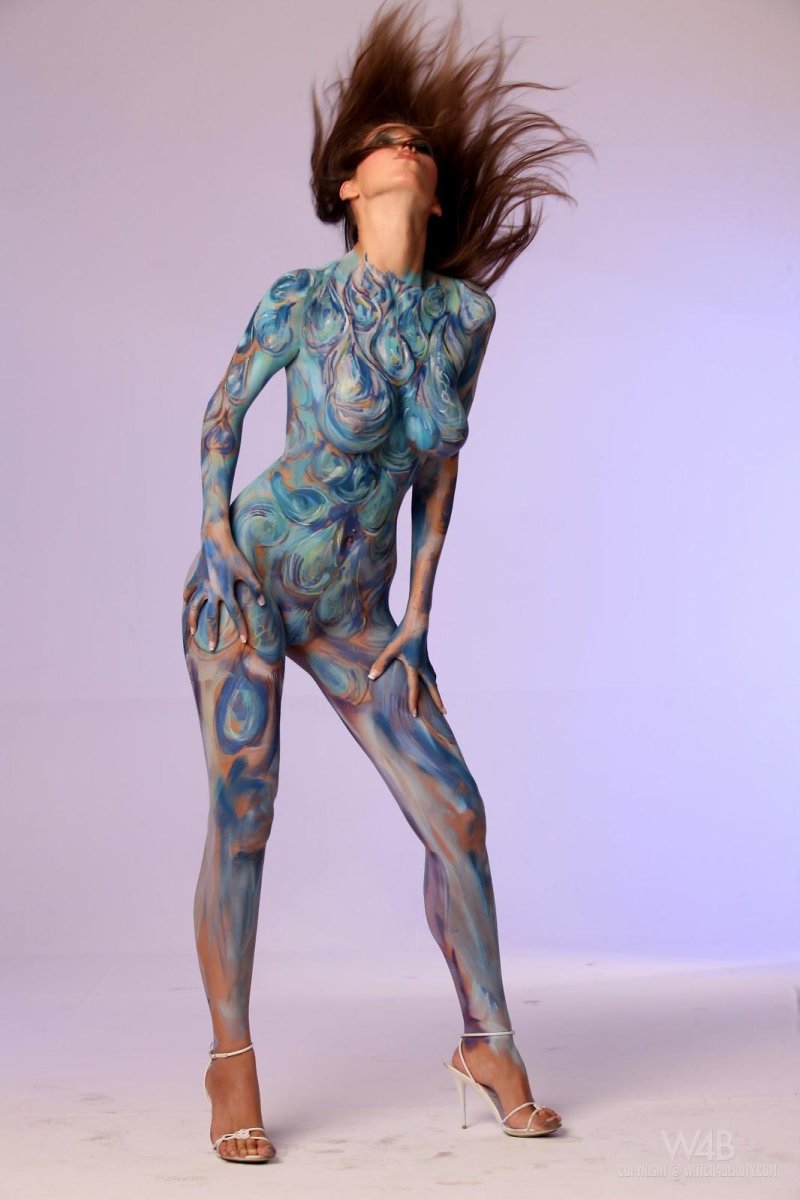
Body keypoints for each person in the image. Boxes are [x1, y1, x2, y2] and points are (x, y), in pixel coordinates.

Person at [181, 0, 591, 1163]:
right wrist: (214, 541)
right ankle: (228, 1061)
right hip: (252, 579)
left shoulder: (464, 316)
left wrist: (418, 607)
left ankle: (488, 1043)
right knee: (245, 809)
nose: (404, 148)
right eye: (382, 143)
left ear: (435, 193)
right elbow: (221, 416)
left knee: (455, 812)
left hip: (360, 612)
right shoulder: (300, 300)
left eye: (418, 144)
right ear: (347, 184)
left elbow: (438, 466)